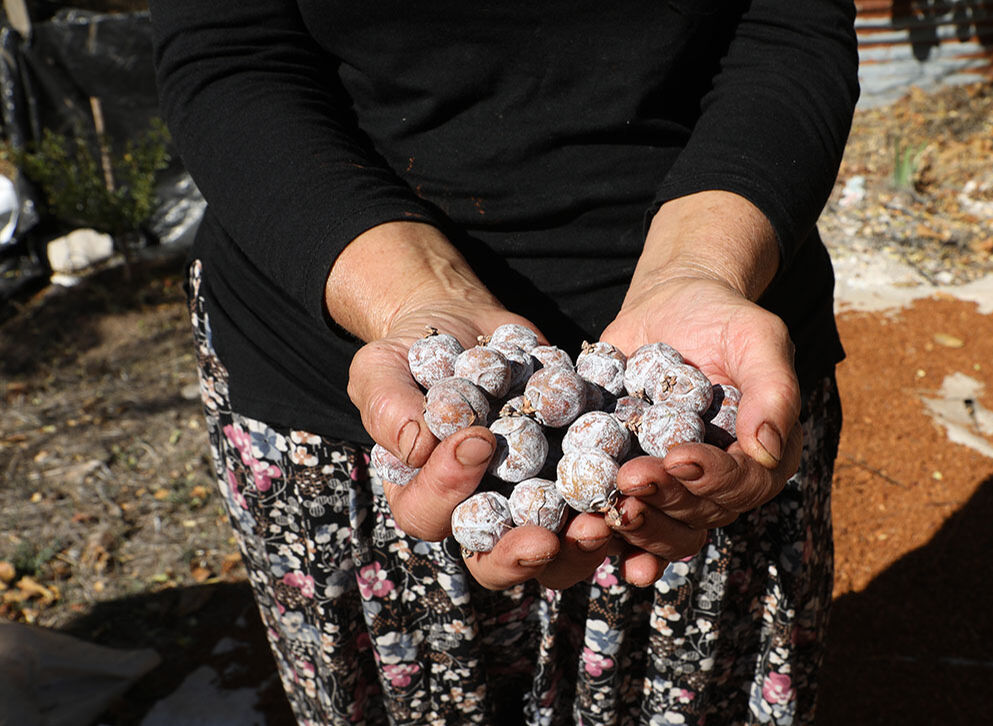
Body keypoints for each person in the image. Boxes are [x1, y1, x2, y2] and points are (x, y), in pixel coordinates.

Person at [150, 1, 858, 723]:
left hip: (714, 332)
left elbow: (789, 23)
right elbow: (229, 51)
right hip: (342, 334)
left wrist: (702, 266)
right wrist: (412, 296)